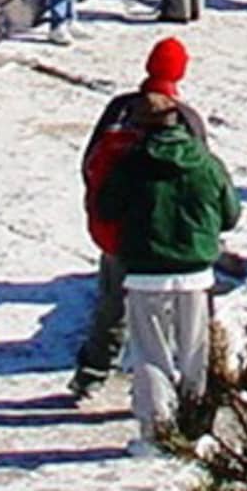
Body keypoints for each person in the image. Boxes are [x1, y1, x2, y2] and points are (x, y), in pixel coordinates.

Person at [94, 90, 240, 452]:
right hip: (195, 274)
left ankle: (156, 435)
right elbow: (230, 215)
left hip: (145, 272)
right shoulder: (207, 163)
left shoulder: (129, 164)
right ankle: (194, 430)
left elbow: (106, 208)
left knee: (150, 354)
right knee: (194, 353)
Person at [69, 36, 210, 400]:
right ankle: (177, 392)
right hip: (167, 237)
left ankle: (92, 372)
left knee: (112, 302)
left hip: (117, 230)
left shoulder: (119, 109)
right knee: (170, 320)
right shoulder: (187, 118)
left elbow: (89, 162)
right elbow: (203, 181)